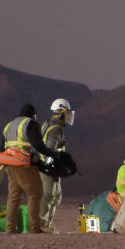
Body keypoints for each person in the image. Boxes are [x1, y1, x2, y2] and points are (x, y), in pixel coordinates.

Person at [0, 103, 46, 234]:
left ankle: (10, 228)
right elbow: (38, 144)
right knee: (35, 194)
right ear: (33, 115)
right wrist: (48, 153)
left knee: (13, 197)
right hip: (25, 164)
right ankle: (34, 227)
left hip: (10, 165)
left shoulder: (9, 126)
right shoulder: (31, 124)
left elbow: (0, 148)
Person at [40, 98, 74, 230]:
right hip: (49, 168)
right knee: (49, 195)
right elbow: (50, 149)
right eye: (66, 113)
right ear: (60, 112)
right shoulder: (56, 129)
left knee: (55, 196)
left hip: (49, 167)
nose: (68, 117)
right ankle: (42, 224)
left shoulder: (48, 124)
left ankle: (45, 224)